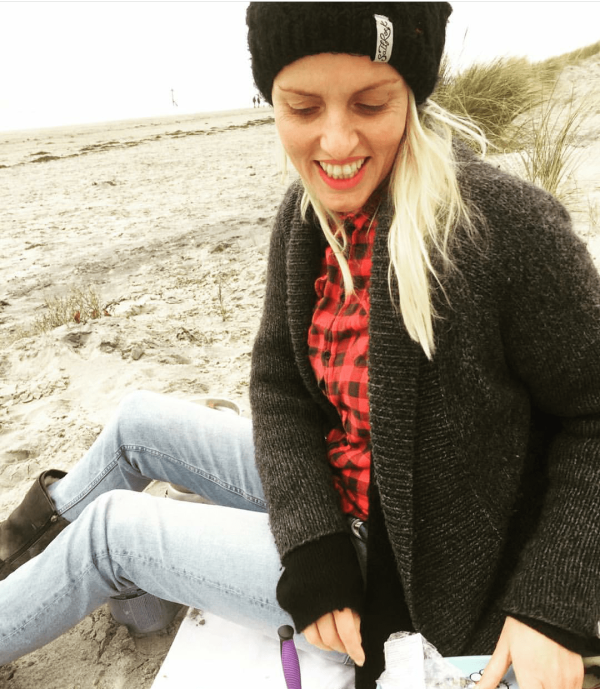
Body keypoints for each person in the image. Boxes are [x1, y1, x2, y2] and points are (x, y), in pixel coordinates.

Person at [1, 3, 600, 688]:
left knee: (112, 531)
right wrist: (311, 537)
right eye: (303, 107)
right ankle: (16, 559)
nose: (336, 142)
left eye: (370, 103)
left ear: (413, 94)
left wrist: (552, 605)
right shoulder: (304, 216)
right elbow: (279, 384)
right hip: (336, 492)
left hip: (407, 568)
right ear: (272, 101)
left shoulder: (500, 225)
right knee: (137, 420)